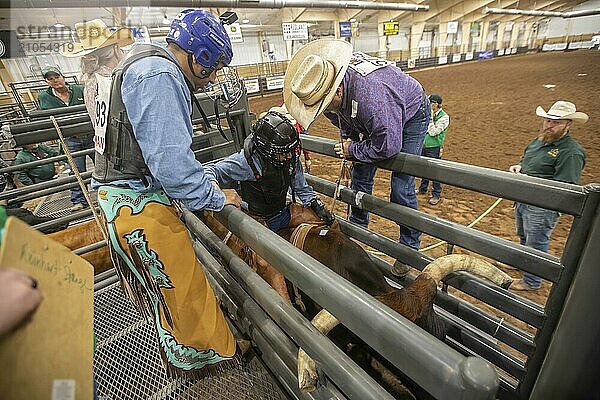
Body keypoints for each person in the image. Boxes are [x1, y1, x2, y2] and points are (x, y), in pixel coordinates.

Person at [91, 9, 243, 376]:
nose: (214, 77)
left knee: (164, 289)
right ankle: (214, 364)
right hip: (137, 203)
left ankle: (183, 354)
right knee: (186, 289)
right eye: (215, 67)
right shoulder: (160, 76)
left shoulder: (143, 60)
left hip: (122, 198)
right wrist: (218, 198)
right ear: (200, 58)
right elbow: (171, 165)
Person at [283, 39, 430, 277]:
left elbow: (388, 146)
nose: (324, 114)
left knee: (401, 184)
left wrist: (352, 150)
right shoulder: (333, 96)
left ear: (337, 91)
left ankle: (408, 249)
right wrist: (350, 143)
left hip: (411, 112)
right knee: (360, 176)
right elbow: (344, 121)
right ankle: (357, 230)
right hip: (375, 112)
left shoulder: (372, 97)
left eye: (324, 107)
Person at [204, 110, 334, 232]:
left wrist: (316, 204)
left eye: (290, 150)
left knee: (329, 227)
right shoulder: (246, 162)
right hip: (255, 219)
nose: (289, 156)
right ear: (266, 151)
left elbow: (301, 187)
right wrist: (217, 191)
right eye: (283, 153)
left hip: (283, 213)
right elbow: (209, 170)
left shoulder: (290, 157)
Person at [509, 101, 587, 291]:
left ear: (568, 124)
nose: (550, 125)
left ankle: (532, 281)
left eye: (556, 122)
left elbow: (565, 187)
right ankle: (523, 264)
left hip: (543, 206)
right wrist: (520, 167)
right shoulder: (540, 141)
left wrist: (530, 180)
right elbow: (527, 160)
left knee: (537, 241)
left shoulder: (571, 152)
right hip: (525, 198)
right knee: (525, 236)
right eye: (548, 120)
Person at [38, 65, 91, 212]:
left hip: (91, 135)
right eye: (50, 79)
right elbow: (45, 116)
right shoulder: (44, 97)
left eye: (57, 77)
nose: (55, 81)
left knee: (103, 165)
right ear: (46, 82)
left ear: (63, 77)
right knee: (76, 170)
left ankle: (112, 191)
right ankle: (80, 201)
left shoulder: (79, 89)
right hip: (70, 138)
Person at [417, 94, 450, 205]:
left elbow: (433, 132)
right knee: (424, 169)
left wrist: (429, 119)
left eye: (431, 102)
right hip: (424, 145)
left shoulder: (444, 117)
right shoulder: (430, 114)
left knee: (434, 171)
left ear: (436, 104)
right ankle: (423, 189)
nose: (429, 104)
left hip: (434, 147)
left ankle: (436, 194)